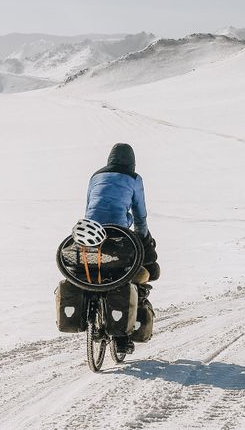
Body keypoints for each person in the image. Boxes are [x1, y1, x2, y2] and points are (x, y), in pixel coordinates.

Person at [85, 142, 159, 353]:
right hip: (119, 234)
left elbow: (89, 207)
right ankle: (121, 337)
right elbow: (140, 214)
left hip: (91, 233)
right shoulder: (134, 179)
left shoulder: (96, 176)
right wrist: (144, 238)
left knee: (94, 269)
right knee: (127, 274)